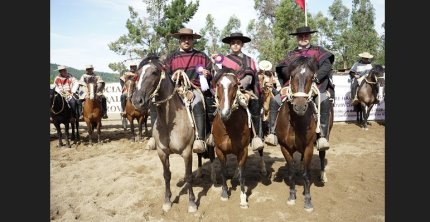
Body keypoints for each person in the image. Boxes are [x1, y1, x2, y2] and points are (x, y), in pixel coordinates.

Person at [267, 26, 335, 151]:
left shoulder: (319, 51)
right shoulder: (291, 54)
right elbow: (282, 69)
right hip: (294, 86)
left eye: (306, 36)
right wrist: (292, 77)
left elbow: (326, 66)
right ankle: (272, 132)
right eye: (300, 36)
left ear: (310, 37)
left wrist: (315, 77)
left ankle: (322, 136)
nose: (303, 38)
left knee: (324, 100)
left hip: (314, 85)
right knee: (275, 100)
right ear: (297, 38)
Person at [163, 27, 214, 153]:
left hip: (194, 89)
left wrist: (207, 74)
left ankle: (200, 139)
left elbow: (211, 73)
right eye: (183, 38)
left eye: (189, 38)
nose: (186, 41)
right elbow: (166, 75)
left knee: (197, 102)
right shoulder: (171, 57)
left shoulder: (201, 56)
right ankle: (159, 138)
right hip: (176, 91)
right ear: (179, 40)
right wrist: (177, 87)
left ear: (193, 40)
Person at [211, 32, 264, 151]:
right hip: (226, 89)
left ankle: (257, 137)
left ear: (242, 45)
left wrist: (239, 88)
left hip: (245, 90)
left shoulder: (249, 60)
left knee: (255, 105)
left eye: (238, 43)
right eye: (233, 43)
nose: (235, 45)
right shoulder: (222, 60)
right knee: (213, 106)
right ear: (229, 45)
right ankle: (211, 134)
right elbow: (217, 76)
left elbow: (250, 76)